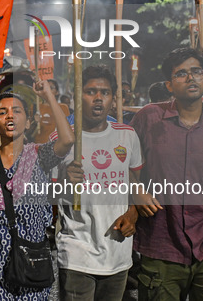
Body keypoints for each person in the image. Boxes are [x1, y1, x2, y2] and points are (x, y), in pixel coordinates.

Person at [130, 47, 203, 300]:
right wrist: (135, 191)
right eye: (181, 74)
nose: (191, 78)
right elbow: (121, 163)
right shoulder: (149, 117)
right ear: (169, 84)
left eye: (197, 71)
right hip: (160, 241)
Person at [0, 82, 75, 300]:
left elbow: (67, 140)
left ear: (28, 122)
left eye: (16, 111)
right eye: (2, 112)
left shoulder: (39, 156)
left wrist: (48, 95)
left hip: (31, 259)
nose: (10, 116)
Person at [53, 65, 143, 300]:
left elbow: (134, 186)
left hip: (118, 251)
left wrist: (132, 215)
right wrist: (63, 181)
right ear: (76, 97)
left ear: (114, 99)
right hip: (76, 253)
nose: (98, 98)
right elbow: (43, 193)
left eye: (105, 93)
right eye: (90, 91)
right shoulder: (62, 139)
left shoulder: (127, 135)